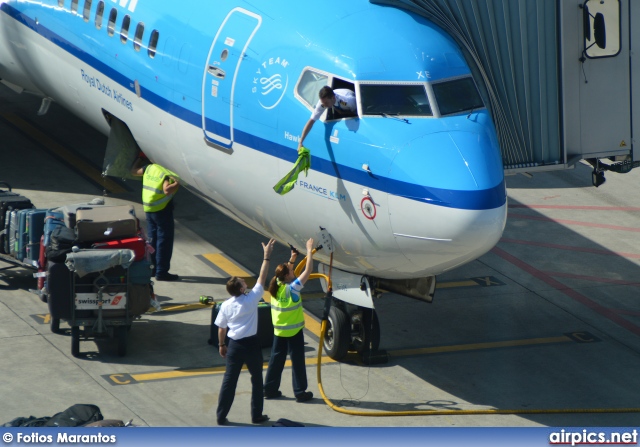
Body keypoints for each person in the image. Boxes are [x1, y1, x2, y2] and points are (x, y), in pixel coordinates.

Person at [215, 238, 276, 426]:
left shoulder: (226, 305)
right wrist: (266, 257)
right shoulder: (251, 300)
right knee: (257, 381)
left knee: (229, 381)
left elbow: (221, 328)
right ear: (241, 289)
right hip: (251, 345)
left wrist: (222, 345)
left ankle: (221, 415)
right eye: (243, 282)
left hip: (233, 345)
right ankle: (256, 415)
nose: (245, 282)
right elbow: (262, 278)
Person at [263, 238, 315, 403]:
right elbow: (308, 271)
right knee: (297, 362)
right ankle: (300, 392)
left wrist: (292, 259)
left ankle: (269, 389)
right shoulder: (293, 288)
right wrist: (309, 251)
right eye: (291, 272)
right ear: (287, 276)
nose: (294, 274)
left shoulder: (276, 284)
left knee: (276, 360)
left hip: (279, 331)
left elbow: (288, 271)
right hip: (294, 332)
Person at [131, 155, 180, 281]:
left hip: (149, 209)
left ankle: (152, 268)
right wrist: (177, 182)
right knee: (164, 240)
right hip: (162, 209)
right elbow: (167, 190)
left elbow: (134, 171)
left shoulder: (149, 168)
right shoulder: (165, 172)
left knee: (152, 240)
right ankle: (161, 272)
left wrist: (139, 158)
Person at [298, 86, 357, 150]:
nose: (324, 105)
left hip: (352, 101)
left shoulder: (347, 101)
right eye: (323, 103)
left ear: (333, 98)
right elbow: (311, 121)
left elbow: (357, 113)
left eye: (326, 103)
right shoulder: (323, 102)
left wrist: (343, 113)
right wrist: (300, 142)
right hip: (337, 105)